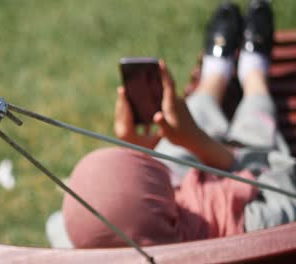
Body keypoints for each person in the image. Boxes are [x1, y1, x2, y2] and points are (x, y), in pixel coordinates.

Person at [53, 0, 296, 248]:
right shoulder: (258, 226)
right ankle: (251, 76)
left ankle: (213, 80)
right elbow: (281, 178)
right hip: (244, 169)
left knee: (173, 143)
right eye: (147, 167)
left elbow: (68, 221)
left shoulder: (79, 243)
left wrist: (138, 146)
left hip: (170, 205)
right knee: (255, 126)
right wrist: (200, 143)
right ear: (166, 202)